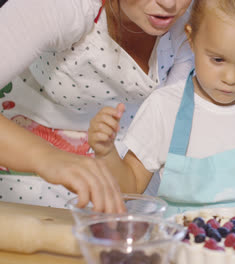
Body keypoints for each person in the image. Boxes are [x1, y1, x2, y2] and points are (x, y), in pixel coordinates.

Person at [89, 0, 235, 216]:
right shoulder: (164, 108)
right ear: (191, 39)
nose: (230, 78)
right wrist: (107, 153)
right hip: (183, 247)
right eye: (217, 59)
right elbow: (130, 187)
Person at [0, 0, 193, 212]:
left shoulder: (191, 23)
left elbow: (172, 119)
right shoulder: (62, 6)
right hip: (20, 170)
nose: (169, 3)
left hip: (124, 182)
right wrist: (47, 158)